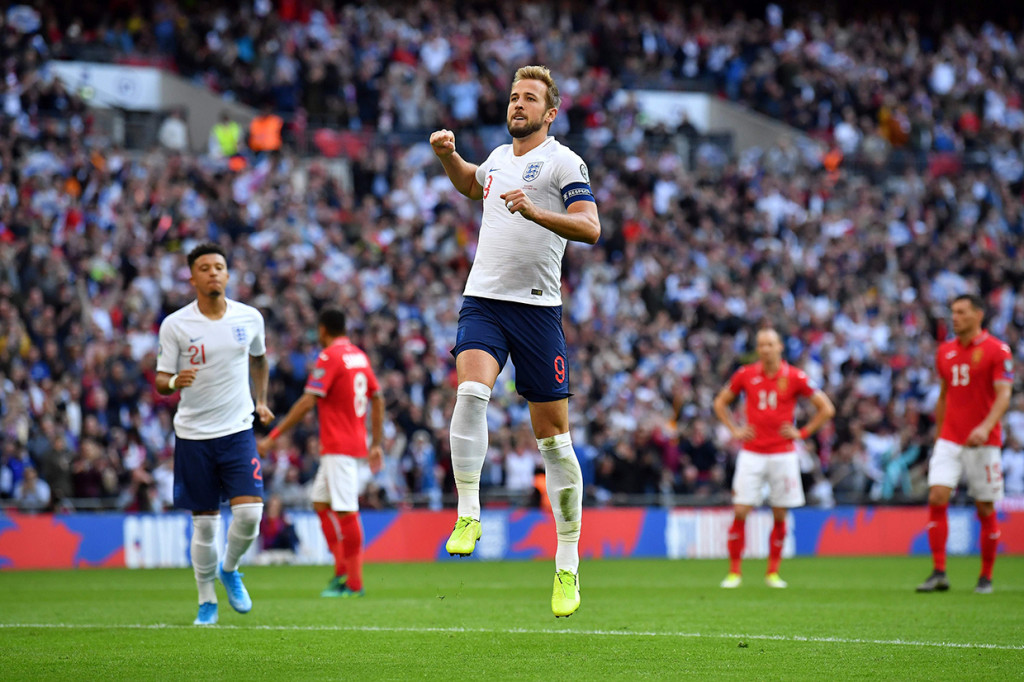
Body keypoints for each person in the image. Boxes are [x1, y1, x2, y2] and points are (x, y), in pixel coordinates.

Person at [429, 64, 600, 618]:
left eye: (529, 98)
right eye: (513, 97)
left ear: (550, 112)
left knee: (554, 442)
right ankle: (469, 512)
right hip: (483, 301)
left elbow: (590, 227)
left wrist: (535, 210)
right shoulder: (499, 158)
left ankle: (567, 564)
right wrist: (449, 157)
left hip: (538, 312)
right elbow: (470, 184)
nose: (517, 104)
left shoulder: (564, 161)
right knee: (470, 392)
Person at [156, 242, 273, 626]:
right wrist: (174, 380)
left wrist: (261, 401)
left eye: (218, 267)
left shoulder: (249, 318)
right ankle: (206, 600)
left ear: (227, 274)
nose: (213, 273)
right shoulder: (176, 325)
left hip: (237, 430)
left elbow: (259, 358)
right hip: (194, 435)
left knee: (250, 514)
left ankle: (230, 568)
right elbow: (160, 380)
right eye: (204, 268)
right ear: (192, 278)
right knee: (205, 525)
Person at [257, 307, 384, 598]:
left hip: (339, 446)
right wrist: (375, 443)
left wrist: (273, 436)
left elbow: (307, 402)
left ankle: (354, 583)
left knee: (346, 511)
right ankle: (341, 572)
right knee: (320, 501)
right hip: (348, 444)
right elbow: (377, 398)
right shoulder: (359, 356)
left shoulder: (330, 356)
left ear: (323, 330)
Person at [712, 327, 835, 589]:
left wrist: (802, 433)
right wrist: (735, 429)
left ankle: (773, 573)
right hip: (752, 452)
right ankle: (734, 572)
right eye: (761, 345)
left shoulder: (795, 376)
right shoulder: (745, 374)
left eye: (770, 344)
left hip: (782, 454)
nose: (765, 349)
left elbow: (826, 408)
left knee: (779, 514)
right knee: (740, 510)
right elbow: (720, 402)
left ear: (780, 347)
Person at [917, 294, 1012, 595]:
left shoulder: (997, 350)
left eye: (961, 312)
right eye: (953, 312)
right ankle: (939, 572)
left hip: (983, 441)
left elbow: (1004, 394)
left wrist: (985, 427)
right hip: (950, 438)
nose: (954, 317)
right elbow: (944, 395)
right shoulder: (945, 351)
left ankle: (986, 576)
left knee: (984, 506)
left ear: (978, 315)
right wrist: (939, 433)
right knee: (937, 497)